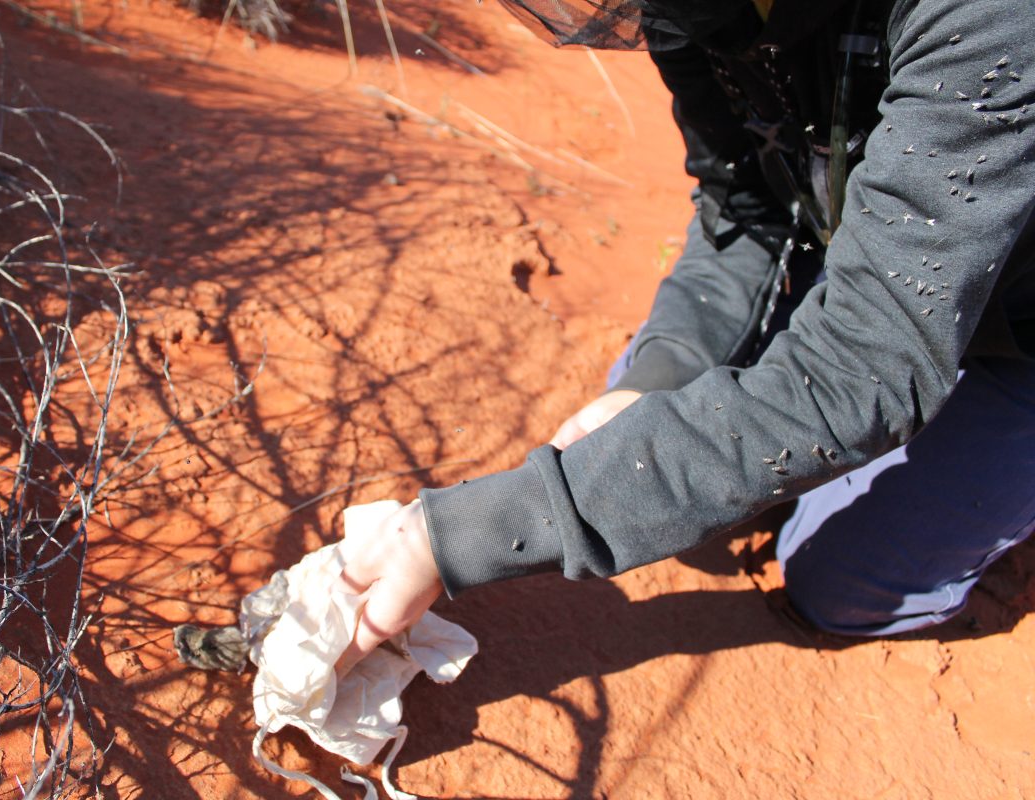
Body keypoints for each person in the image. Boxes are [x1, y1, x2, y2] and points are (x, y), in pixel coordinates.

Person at [333, 0, 1035, 674]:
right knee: (635, 427)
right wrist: (655, 380)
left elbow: (866, 371)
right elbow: (745, 210)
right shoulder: (683, 11)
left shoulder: (991, 17)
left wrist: (457, 537)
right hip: (884, 252)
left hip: (1018, 332)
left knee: (839, 585)